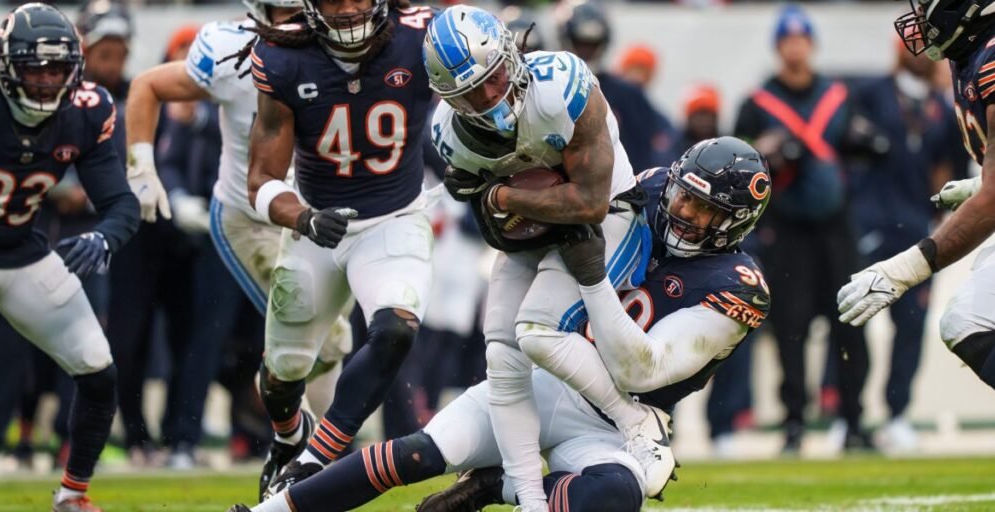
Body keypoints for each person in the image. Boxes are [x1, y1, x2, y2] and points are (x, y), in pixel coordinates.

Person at [226, 136, 772, 512]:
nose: (685, 214)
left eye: (706, 212)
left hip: (614, 422)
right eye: (685, 197)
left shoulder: (736, 286)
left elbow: (641, 369)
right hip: (543, 376)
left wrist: (591, 278)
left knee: (616, 497)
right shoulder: (645, 191)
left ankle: (498, 486)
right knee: (419, 453)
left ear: (737, 223)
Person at [426, 6, 674, 508]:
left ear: (510, 57)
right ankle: (530, 498)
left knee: (537, 331)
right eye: (472, 92)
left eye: (494, 79)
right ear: (450, 98)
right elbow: (498, 235)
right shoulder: (450, 134)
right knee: (501, 352)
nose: (490, 97)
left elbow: (590, 202)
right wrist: (499, 210)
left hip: (609, 220)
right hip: (537, 234)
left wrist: (501, 196)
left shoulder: (563, 84)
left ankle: (635, 421)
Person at [124, 0, 355, 468]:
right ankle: (305, 451)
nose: (294, 24)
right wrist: (141, 166)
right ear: (260, 13)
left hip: (317, 219)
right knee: (315, 338)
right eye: (283, 13)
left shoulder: (347, 47)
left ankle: (316, 449)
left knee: (333, 344)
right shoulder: (231, 52)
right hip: (250, 219)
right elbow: (147, 85)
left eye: (301, 11)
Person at [231, 0, 439, 500]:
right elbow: (260, 179)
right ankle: (288, 439)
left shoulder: (424, 36)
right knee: (284, 373)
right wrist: (302, 217)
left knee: (395, 328)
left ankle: (313, 459)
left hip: (394, 220)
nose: (347, 9)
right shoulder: (282, 54)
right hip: (316, 228)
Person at [839, 0, 995, 413]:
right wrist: (986, 182)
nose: (919, 17)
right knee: (969, 319)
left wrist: (905, 269)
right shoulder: (978, 47)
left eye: (926, 5)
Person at [0, 4, 140, 511]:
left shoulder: (86, 111)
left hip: (20, 253)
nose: (46, 80)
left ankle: (73, 496)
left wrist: (103, 238)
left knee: (98, 368)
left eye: (57, 69)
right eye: (34, 68)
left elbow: (121, 203)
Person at [734, 4, 871, 454]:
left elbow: (861, 149)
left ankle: (853, 420)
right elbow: (738, 160)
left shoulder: (838, 95)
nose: (795, 48)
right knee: (790, 328)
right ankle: (794, 421)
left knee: (849, 322)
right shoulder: (758, 103)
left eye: (801, 40)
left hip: (836, 225)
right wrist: (769, 151)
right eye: (787, 40)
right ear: (779, 47)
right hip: (787, 227)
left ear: (811, 45)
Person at [848, 33, 957, 452]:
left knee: (911, 326)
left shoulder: (941, 107)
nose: (920, 53)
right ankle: (850, 416)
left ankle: (896, 415)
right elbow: (849, 147)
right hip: (870, 221)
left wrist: (937, 213)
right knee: (853, 316)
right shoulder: (871, 94)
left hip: (915, 227)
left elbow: (947, 167)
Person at [557, 0, 676, 172]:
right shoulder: (551, 86)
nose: (587, 50)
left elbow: (644, 155)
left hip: (615, 183)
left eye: (592, 44)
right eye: (580, 43)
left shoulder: (628, 94)